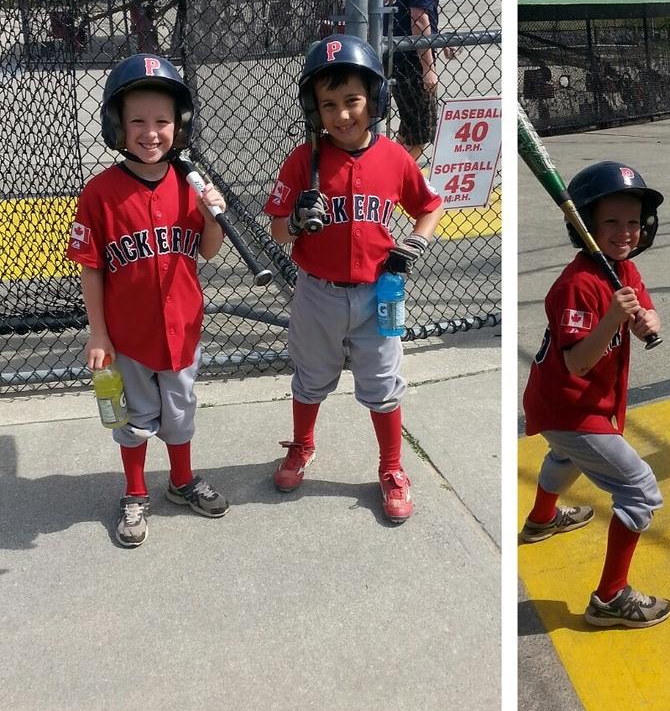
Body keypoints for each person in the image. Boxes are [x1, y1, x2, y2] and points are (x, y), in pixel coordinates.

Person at [264, 34, 443, 523]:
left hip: (379, 293)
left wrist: (418, 241)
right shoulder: (305, 161)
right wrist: (298, 219)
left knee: (383, 383)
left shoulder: (394, 158)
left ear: (375, 100)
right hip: (317, 293)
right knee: (310, 377)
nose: (342, 115)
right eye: (329, 105)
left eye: (352, 101)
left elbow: (429, 207)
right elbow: (278, 231)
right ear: (313, 109)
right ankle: (302, 446)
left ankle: (391, 467)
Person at [65, 54, 230, 548]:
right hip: (129, 337)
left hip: (182, 330)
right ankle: (135, 492)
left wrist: (214, 216)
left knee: (180, 412)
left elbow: (206, 249)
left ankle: (180, 482)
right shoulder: (100, 193)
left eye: (162, 121)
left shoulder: (190, 184)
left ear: (178, 126)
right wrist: (98, 333)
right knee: (134, 420)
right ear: (116, 124)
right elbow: (92, 266)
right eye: (137, 120)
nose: (151, 132)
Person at [520, 161, 670, 629]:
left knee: (565, 460)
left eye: (632, 221)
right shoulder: (577, 284)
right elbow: (577, 361)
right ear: (584, 225)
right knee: (639, 489)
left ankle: (543, 519)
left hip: (572, 402)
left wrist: (647, 320)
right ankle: (610, 598)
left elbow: (641, 307)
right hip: (571, 406)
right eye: (611, 222)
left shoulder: (620, 267)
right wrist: (612, 317)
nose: (625, 232)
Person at [389, 0, 455, 163]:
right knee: (421, 132)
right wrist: (428, 68)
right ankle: (394, 186)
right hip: (412, 60)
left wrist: (439, 38)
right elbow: (418, 16)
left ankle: (391, 172)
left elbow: (416, 12)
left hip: (399, 50)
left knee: (409, 125)